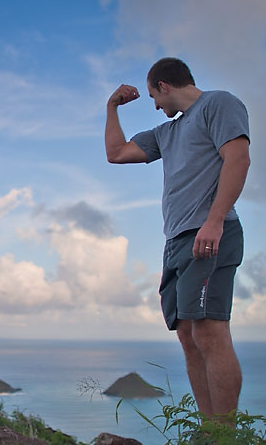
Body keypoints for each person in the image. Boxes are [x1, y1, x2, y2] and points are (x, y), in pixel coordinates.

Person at [105, 57, 250, 420]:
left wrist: (215, 221)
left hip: (210, 234)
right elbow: (116, 154)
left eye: (154, 96)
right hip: (177, 242)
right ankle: (209, 434)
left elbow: (238, 159)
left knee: (210, 333)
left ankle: (225, 441)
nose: (155, 105)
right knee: (187, 336)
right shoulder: (166, 134)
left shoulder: (219, 104)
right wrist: (111, 107)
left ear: (164, 86)